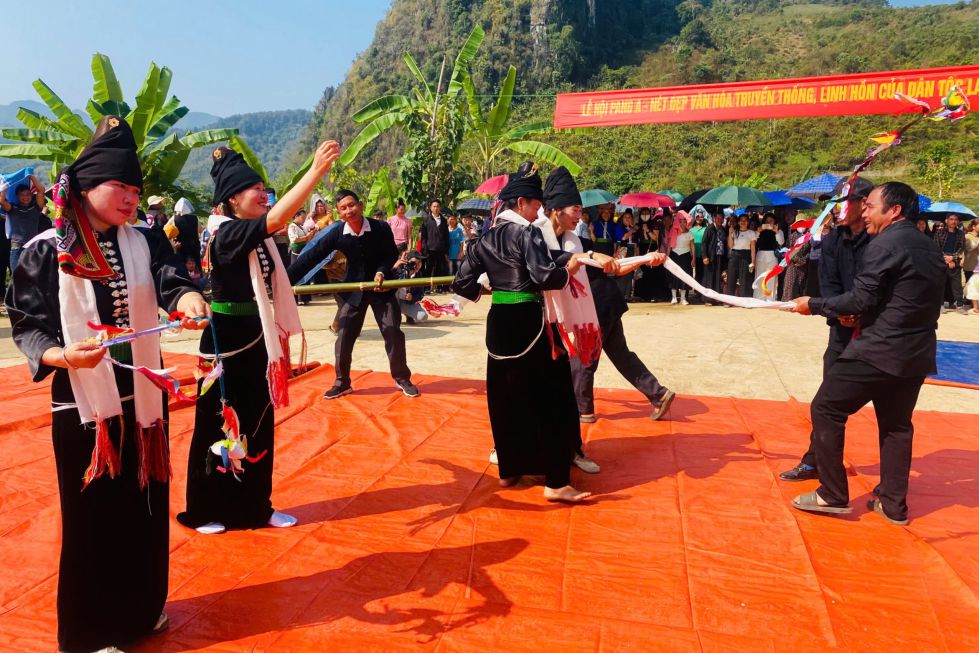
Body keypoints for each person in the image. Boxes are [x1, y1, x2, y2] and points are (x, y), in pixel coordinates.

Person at [5, 116, 209, 652]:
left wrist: (187, 300)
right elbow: (29, 326)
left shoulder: (144, 241)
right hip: (83, 409)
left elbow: (173, 280)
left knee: (144, 507)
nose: (130, 198)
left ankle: (141, 611)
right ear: (87, 186)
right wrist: (61, 355)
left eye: (136, 189)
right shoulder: (47, 249)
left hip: (143, 404)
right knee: (92, 519)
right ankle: (92, 631)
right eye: (120, 186)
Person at [177, 139, 340, 536]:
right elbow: (278, 220)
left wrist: (328, 241)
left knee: (258, 422)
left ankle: (253, 507)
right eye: (256, 190)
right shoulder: (227, 235)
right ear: (232, 200)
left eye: (264, 190)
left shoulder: (260, 240)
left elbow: (286, 272)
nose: (263, 195)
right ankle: (206, 509)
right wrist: (314, 172)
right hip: (224, 341)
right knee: (218, 425)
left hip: (257, 337)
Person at [788, 182, 945, 525]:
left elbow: (861, 297)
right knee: (896, 426)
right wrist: (859, 312)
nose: (864, 211)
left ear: (894, 211)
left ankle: (831, 494)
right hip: (916, 352)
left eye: (871, 206)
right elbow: (903, 297)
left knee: (827, 407)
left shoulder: (885, 243)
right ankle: (892, 504)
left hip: (880, 349)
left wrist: (813, 304)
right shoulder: (928, 245)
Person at [451, 162, 591, 503]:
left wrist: (492, 287)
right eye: (535, 204)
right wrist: (569, 268)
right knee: (552, 398)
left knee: (504, 397)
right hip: (529, 320)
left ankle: (509, 470)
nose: (539, 210)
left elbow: (462, 283)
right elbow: (545, 277)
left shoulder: (484, 237)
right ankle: (557, 482)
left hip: (499, 321)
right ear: (520, 204)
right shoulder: (526, 233)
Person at [541, 168, 676, 425]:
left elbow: (611, 267)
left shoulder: (576, 245)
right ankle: (659, 394)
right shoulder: (543, 240)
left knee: (583, 360)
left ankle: (584, 411)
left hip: (599, 305)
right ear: (555, 209)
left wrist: (645, 259)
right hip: (604, 303)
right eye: (575, 210)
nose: (579, 215)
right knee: (620, 354)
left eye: (581, 211)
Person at [780, 177, 873, 482]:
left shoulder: (880, 241)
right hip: (841, 331)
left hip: (877, 335)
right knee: (827, 402)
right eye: (833, 204)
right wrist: (841, 314)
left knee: (892, 415)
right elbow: (829, 284)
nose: (836, 210)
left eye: (843, 202)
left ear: (865, 204)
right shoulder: (832, 241)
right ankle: (814, 461)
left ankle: (892, 488)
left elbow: (881, 287)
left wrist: (862, 313)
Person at [288, 189, 418, 399]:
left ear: (361, 205)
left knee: (392, 330)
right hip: (354, 289)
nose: (349, 211)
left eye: (352, 205)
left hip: (382, 288)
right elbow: (309, 258)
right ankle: (342, 382)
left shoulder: (381, 228)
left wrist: (381, 272)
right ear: (339, 213)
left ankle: (402, 378)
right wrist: (283, 282)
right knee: (345, 335)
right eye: (343, 208)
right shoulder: (337, 233)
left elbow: (389, 255)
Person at [0, 174, 47, 271]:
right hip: (17, 249)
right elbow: (2, 201)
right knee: (17, 279)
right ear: (17, 196)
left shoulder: (36, 208)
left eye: (28, 194)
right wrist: (4, 185)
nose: (26, 197)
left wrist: (31, 176)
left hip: (33, 248)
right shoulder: (13, 208)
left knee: (34, 278)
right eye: (22, 195)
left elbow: (41, 191)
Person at [934, 213, 967, 313]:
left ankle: (959, 305)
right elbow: (936, 247)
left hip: (955, 261)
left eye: (956, 219)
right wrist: (946, 259)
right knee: (941, 283)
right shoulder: (939, 232)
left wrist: (952, 258)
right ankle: (940, 305)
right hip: (941, 261)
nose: (953, 221)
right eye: (951, 219)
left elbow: (961, 248)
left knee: (956, 284)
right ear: (946, 220)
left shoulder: (961, 233)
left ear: (958, 221)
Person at [288, 208, 317, 305]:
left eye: (305, 218)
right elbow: (295, 239)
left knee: (304, 272)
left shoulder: (302, 227)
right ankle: (297, 298)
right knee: (296, 273)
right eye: (302, 217)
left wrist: (311, 234)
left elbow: (307, 236)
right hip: (296, 252)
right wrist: (306, 237)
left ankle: (304, 298)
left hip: (303, 250)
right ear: (296, 216)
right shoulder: (292, 227)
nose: (304, 220)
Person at [753, 213, 785, 300]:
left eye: (771, 221)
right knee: (759, 277)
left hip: (772, 256)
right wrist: (758, 231)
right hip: (760, 256)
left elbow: (781, 242)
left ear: (775, 222)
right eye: (767, 221)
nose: (769, 222)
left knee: (771, 278)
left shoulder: (778, 230)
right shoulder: (760, 230)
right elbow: (753, 240)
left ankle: (770, 299)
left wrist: (776, 231)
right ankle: (758, 298)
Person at [667, 210, 696, 305]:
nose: (682, 223)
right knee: (673, 276)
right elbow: (669, 246)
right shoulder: (673, 231)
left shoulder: (690, 233)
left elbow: (692, 246)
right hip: (674, 255)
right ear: (677, 221)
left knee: (685, 276)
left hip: (686, 256)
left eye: (684, 221)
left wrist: (693, 258)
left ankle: (683, 298)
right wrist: (667, 257)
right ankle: (674, 297)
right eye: (680, 221)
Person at [726, 213, 756, 298]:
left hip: (746, 256)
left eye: (745, 220)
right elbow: (731, 246)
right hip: (734, 254)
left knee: (745, 278)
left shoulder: (751, 233)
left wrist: (753, 262)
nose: (743, 222)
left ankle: (745, 300)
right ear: (738, 222)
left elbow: (753, 248)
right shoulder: (735, 232)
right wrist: (730, 233)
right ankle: (729, 300)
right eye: (741, 220)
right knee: (731, 277)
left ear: (748, 222)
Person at [394, 250, 428, 324]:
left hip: (407, 302)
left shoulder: (419, 275)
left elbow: (420, 294)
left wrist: (412, 297)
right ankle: (394, 315)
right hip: (394, 302)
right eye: (413, 263)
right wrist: (395, 266)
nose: (417, 265)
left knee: (423, 316)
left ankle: (408, 315)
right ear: (407, 261)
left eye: (419, 263)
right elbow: (387, 276)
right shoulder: (399, 268)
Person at [701, 210, 727, 304]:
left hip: (720, 256)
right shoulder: (710, 228)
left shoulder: (724, 229)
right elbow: (704, 243)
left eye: (721, 218)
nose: (720, 220)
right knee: (709, 278)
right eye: (718, 218)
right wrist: (704, 256)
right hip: (710, 257)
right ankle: (707, 299)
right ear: (714, 219)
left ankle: (716, 298)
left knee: (718, 277)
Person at [420, 199, 450, 277]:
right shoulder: (426, 220)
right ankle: (427, 288)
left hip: (441, 250)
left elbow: (446, 236)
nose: (436, 208)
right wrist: (425, 250)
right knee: (428, 270)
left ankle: (439, 288)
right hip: (430, 250)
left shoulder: (444, 220)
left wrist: (446, 251)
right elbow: (423, 237)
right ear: (431, 208)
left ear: (440, 208)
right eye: (434, 206)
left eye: (437, 206)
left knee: (440, 270)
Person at [171, 197, 202, 271]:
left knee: (182, 268)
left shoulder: (174, 219)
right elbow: (200, 230)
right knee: (195, 269)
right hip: (193, 246)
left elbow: (167, 231)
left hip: (180, 247)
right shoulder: (195, 218)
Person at [963, 218, 978, 285]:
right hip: (971, 267)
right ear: (973, 227)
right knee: (970, 287)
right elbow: (969, 248)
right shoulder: (967, 236)